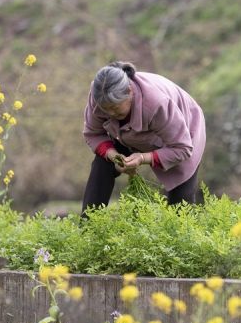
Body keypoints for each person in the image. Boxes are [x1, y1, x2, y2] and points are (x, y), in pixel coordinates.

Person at [81, 61, 206, 214]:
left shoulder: (156, 102)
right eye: (105, 111)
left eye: (115, 109)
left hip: (180, 135)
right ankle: (89, 225)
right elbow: (93, 133)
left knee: (180, 207)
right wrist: (114, 156)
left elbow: (182, 148)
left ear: (129, 91)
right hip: (124, 134)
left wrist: (142, 157)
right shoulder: (100, 94)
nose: (110, 114)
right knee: (102, 163)